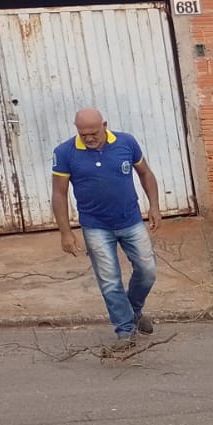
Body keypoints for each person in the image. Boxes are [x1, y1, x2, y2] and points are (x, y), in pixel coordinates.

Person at [51, 108, 162, 342]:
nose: (89, 138)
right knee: (110, 281)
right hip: (95, 227)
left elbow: (145, 174)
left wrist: (154, 206)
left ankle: (133, 312)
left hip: (131, 221)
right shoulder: (65, 153)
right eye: (83, 134)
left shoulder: (126, 142)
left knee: (147, 272)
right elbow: (59, 194)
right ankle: (125, 331)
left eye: (93, 133)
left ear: (105, 125)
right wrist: (65, 233)